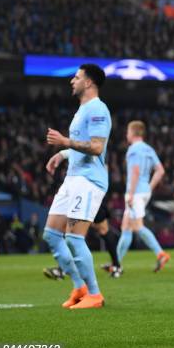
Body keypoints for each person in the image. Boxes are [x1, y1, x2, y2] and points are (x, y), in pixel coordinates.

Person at [42, 64, 111, 309]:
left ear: (89, 82)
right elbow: (80, 146)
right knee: (51, 234)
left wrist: (65, 141)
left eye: (77, 77)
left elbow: (96, 147)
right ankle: (79, 286)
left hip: (89, 181)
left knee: (73, 237)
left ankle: (95, 294)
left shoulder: (97, 109)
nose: (72, 81)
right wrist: (63, 153)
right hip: (73, 178)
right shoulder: (82, 109)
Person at [116, 121, 169, 272]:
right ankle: (117, 263)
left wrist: (131, 193)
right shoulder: (149, 149)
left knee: (138, 226)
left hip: (136, 192)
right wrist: (150, 187)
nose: (126, 134)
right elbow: (160, 171)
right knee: (125, 226)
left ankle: (161, 254)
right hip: (144, 191)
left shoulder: (133, 150)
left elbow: (136, 172)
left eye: (127, 131)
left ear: (132, 133)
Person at [45, 197, 123, 279]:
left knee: (74, 234)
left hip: (85, 197)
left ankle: (63, 269)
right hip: (90, 197)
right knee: (103, 230)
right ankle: (116, 266)